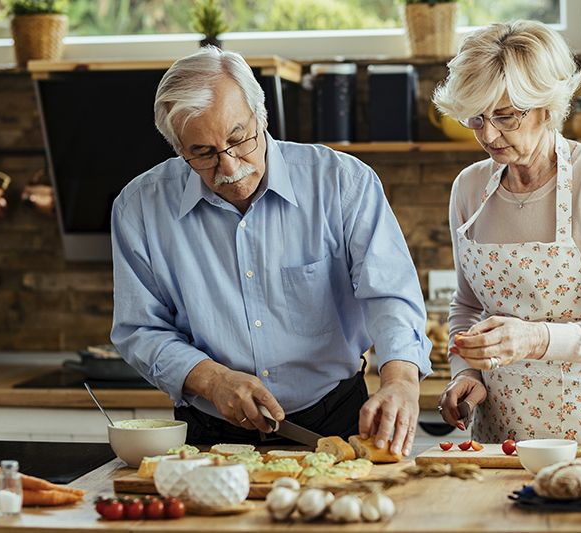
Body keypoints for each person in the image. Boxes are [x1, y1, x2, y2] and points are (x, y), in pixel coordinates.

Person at [110, 46, 432, 456]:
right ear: (178, 148)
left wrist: (402, 381)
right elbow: (140, 328)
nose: (229, 168)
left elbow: (389, 295)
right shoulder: (139, 207)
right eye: (203, 153)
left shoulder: (342, 183)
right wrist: (211, 380)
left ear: (262, 118)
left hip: (336, 421)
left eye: (238, 139)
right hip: (210, 432)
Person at [433, 20, 581, 445]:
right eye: (476, 118)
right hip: (501, 432)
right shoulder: (470, 188)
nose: (489, 135)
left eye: (506, 116)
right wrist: (466, 372)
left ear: (547, 106)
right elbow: (466, 307)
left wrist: (533, 339)